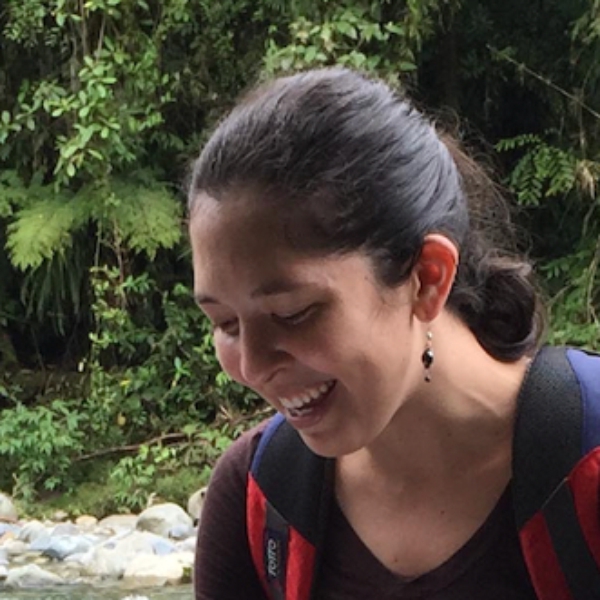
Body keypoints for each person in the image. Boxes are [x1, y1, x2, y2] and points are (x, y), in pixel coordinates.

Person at [186, 68, 590, 599]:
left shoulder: (586, 467)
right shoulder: (260, 500)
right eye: (226, 324)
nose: (254, 366)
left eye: (293, 313)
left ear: (427, 278)